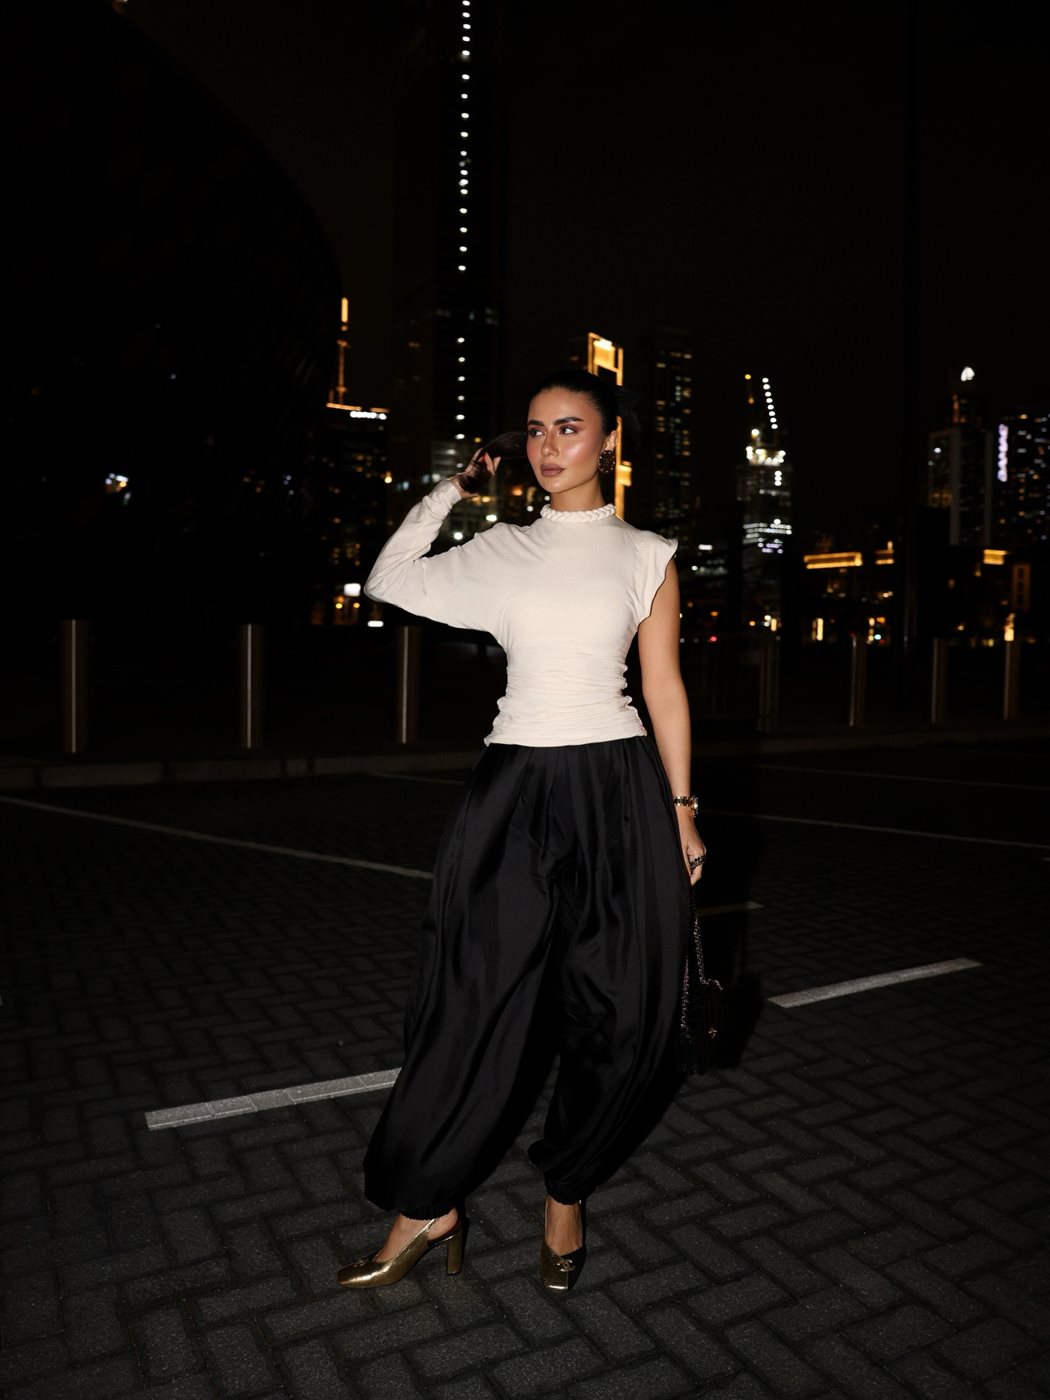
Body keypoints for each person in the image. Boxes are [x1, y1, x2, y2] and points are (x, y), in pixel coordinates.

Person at [337, 368, 706, 1294]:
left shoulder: (648, 554)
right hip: (513, 790)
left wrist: (682, 809)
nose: (548, 447)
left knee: (621, 1012)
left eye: (569, 428)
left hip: (619, 787)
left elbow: (663, 687)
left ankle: (567, 1187)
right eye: (536, 430)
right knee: (468, 999)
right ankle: (427, 1202)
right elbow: (387, 579)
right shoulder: (502, 549)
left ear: (611, 439)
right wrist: (452, 491)